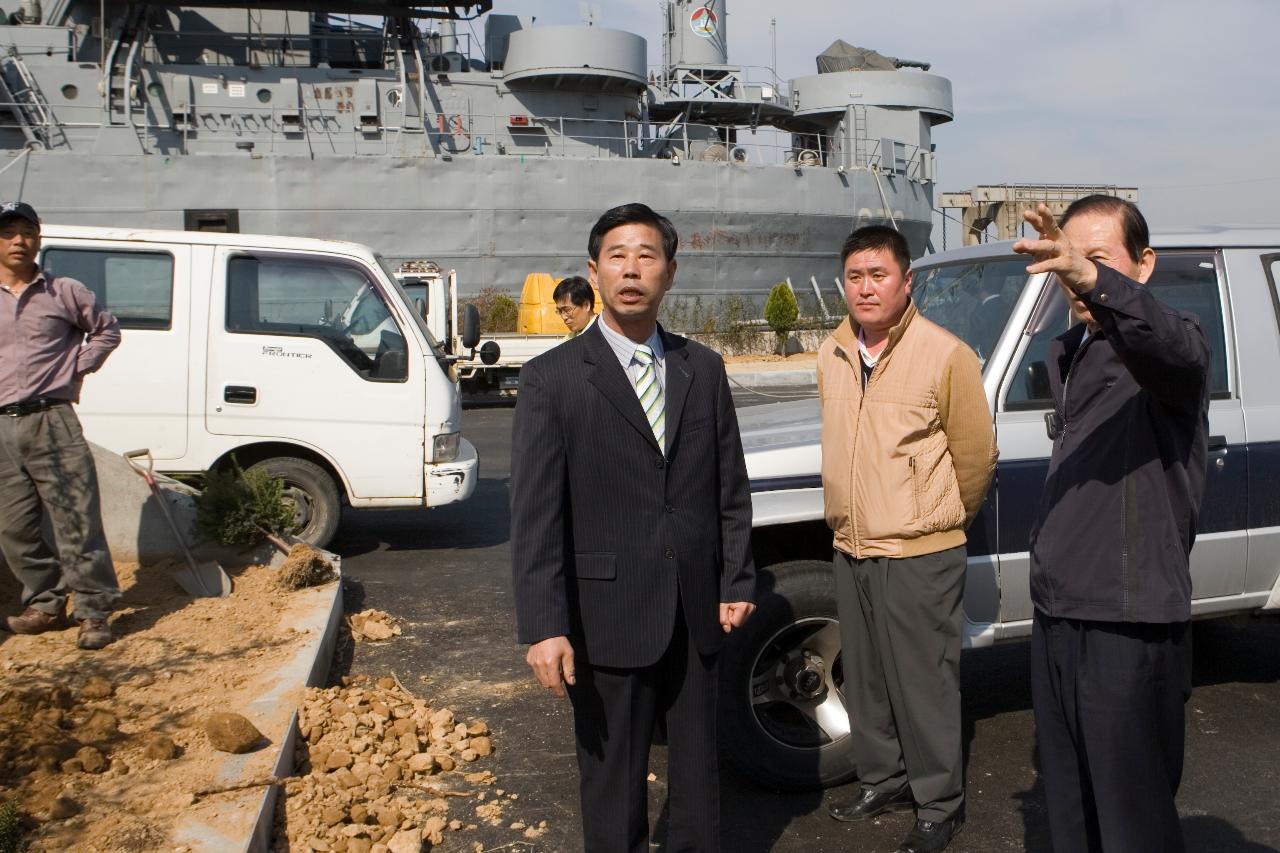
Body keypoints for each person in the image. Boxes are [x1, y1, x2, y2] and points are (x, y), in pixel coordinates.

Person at [510, 202, 755, 852]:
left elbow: (727, 483)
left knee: (700, 784)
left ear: (669, 272)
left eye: (647, 255)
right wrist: (544, 624)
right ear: (594, 270)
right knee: (612, 788)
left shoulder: (701, 368)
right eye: (617, 255)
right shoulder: (551, 379)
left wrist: (737, 576)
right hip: (604, 618)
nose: (631, 268)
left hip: (696, 612)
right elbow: (535, 514)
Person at [1013, 197, 1209, 853]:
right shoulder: (1071, 351)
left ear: (1142, 264)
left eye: (1096, 260)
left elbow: (1173, 347)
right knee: (1071, 816)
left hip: (1127, 624)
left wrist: (1094, 278)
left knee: (1133, 826)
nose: (1075, 277)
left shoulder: (1166, 351)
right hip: (1059, 617)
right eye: (1067, 262)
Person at [818, 225, 996, 853]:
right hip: (852, 546)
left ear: (906, 281)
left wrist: (936, 518)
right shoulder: (832, 352)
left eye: (879, 275)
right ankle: (883, 778)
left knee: (924, 684)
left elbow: (975, 457)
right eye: (855, 277)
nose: (865, 288)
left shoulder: (945, 355)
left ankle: (938, 802)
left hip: (920, 551)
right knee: (866, 679)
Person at [0, 201, 122, 650]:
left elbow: (107, 330)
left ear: (39, 238)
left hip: (52, 420)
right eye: (9, 232)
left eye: (27, 231)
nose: (18, 240)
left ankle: (94, 611)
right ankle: (45, 604)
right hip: (1, 428)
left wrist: (75, 368)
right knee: (12, 527)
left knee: (76, 520)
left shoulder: (63, 291)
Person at [553, 274, 596, 339]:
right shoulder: (569, 338)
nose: (563, 317)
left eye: (567, 310)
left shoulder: (602, 335)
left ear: (587, 305)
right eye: (560, 311)